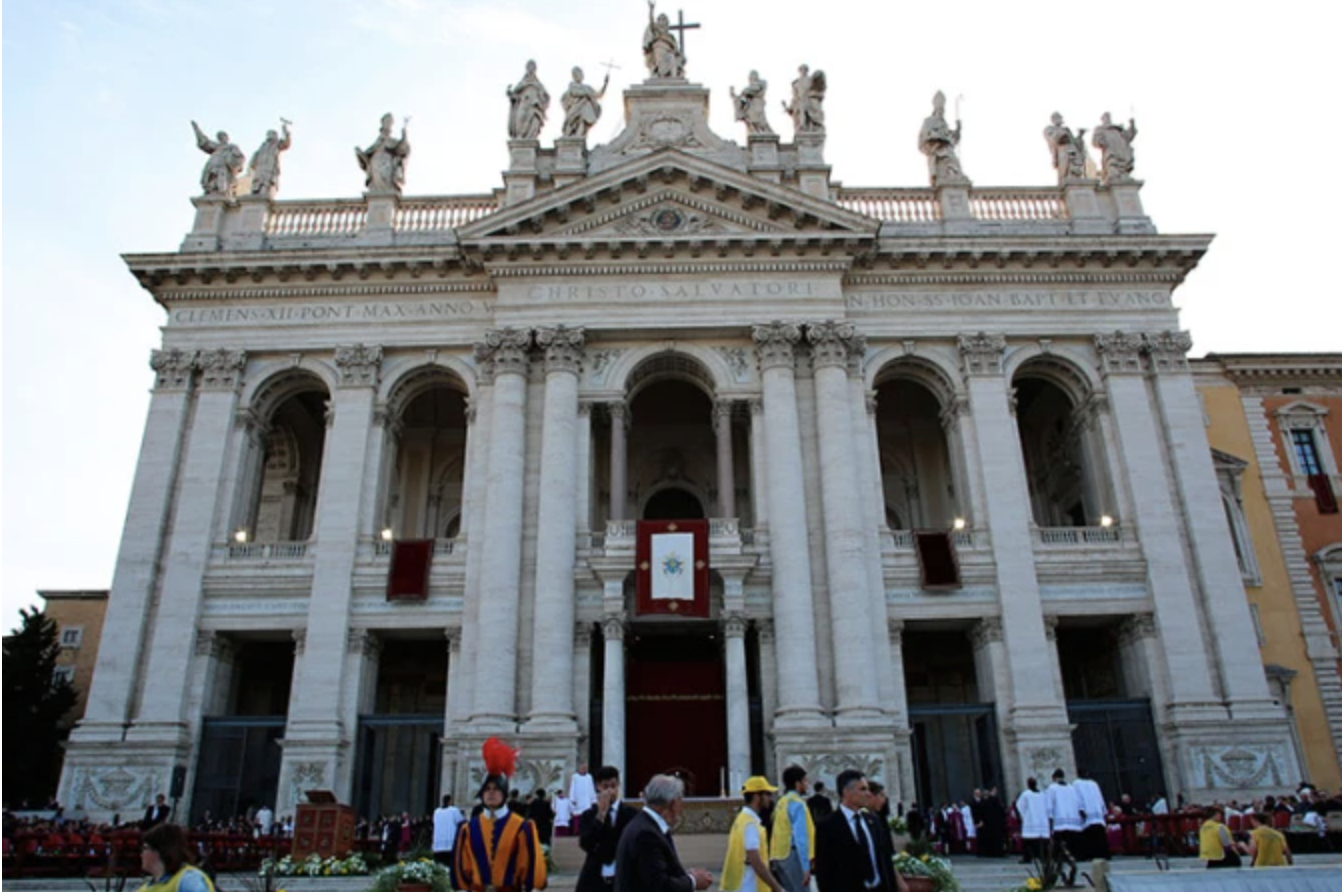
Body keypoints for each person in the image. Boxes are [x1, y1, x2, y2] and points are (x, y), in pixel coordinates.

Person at [453, 739, 547, 891]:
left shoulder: (521, 827)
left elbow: (531, 866)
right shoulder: (468, 829)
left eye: (496, 789)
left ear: (504, 794)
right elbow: (462, 868)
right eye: (487, 789)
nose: (491, 793)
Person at [613, 773, 712, 892]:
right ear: (672, 803)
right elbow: (659, 885)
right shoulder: (645, 835)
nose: (681, 808)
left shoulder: (645, 825)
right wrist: (693, 881)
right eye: (680, 801)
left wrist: (685, 876)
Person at [814, 769, 905, 892]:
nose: (868, 794)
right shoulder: (827, 826)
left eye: (867, 789)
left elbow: (884, 859)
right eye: (862, 789)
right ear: (846, 792)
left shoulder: (873, 821)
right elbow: (824, 872)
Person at [577, 766, 640, 892]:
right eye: (605, 787)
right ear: (598, 787)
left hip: (624, 876)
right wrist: (601, 815)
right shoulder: (588, 815)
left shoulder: (632, 815)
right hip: (595, 877)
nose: (610, 791)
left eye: (613, 786)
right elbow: (585, 843)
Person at [721, 777, 784, 892]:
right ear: (756, 797)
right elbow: (755, 860)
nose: (769, 798)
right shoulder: (750, 824)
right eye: (767, 794)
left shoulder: (742, 819)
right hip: (748, 885)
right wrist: (777, 887)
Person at [770, 765, 815, 892]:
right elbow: (801, 837)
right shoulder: (797, 803)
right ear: (797, 783)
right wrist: (806, 867)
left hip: (779, 855)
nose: (807, 784)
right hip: (793, 855)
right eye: (805, 781)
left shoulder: (782, 801)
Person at [140, 823, 214, 892]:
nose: (141, 854)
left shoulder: (188, 880)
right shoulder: (144, 889)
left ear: (160, 850)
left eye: (145, 848)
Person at [918, 91, 967, 186]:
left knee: (954, 165)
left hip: (947, 151)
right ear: (935, 109)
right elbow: (923, 138)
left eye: (942, 110)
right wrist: (935, 137)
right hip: (937, 150)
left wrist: (958, 130)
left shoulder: (944, 124)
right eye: (939, 109)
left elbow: (952, 140)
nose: (941, 111)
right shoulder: (929, 121)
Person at [355, 113, 410, 193]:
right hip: (375, 163)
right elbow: (368, 154)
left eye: (389, 122)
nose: (387, 124)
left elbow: (402, 150)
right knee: (376, 187)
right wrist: (360, 153)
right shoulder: (378, 141)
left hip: (387, 163)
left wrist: (404, 137)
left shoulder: (392, 141)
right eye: (386, 122)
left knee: (386, 185)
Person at [1045, 769, 1083, 886]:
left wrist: (1050, 822)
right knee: (1069, 849)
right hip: (1073, 824)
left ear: (1054, 777)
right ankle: (1069, 873)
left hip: (1059, 824)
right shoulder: (1072, 788)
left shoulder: (1052, 788)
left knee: (1058, 852)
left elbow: (1049, 806)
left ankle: (1063, 875)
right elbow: (1079, 805)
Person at [190, 121, 245, 198]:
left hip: (223, 168)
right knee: (211, 181)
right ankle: (211, 192)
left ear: (227, 138)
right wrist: (196, 129)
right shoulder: (216, 147)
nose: (222, 138)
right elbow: (204, 142)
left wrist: (233, 166)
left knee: (221, 183)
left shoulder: (232, 147)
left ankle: (221, 194)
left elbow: (239, 158)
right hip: (212, 165)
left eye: (223, 136)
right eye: (220, 137)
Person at [507, 60, 550, 141]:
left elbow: (546, 96)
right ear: (526, 68)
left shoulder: (538, 83)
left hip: (534, 106)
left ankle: (528, 137)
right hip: (524, 103)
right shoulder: (523, 82)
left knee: (534, 120)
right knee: (521, 118)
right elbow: (515, 94)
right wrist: (510, 93)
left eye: (533, 67)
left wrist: (541, 97)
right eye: (529, 66)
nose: (531, 68)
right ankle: (520, 136)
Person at [561, 69, 609, 141]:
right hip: (576, 107)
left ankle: (579, 137)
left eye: (579, 74)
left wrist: (605, 84)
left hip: (585, 109)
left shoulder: (587, 88)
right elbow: (574, 92)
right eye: (575, 74)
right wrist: (586, 94)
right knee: (571, 122)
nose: (578, 76)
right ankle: (571, 136)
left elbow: (599, 94)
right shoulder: (572, 85)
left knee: (583, 121)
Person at [642, 1, 685, 78]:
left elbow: (676, 49)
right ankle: (660, 73)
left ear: (667, 22)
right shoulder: (655, 32)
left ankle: (674, 79)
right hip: (658, 52)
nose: (662, 21)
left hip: (669, 53)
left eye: (664, 19)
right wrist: (651, 10)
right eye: (660, 19)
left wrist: (677, 52)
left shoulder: (671, 36)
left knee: (672, 58)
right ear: (657, 22)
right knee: (664, 63)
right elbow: (651, 21)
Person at [248, 122, 292, 197]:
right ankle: (257, 192)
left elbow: (286, 144)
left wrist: (285, 131)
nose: (270, 136)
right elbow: (254, 160)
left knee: (267, 181)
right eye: (269, 134)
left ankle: (265, 191)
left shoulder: (277, 144)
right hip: (260, 167)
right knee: (258, 181)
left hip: (271, 167)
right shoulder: (263, 146)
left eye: (272, 134)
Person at [1073, 769, 1108, 861]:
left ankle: (1092, 854)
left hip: (1088, 813)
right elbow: (1100, 798)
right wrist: (1102, 809)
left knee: (1091, 835)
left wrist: (1081, 809)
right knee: (1098, 835)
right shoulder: (1093, 783)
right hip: (1096, 812)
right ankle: (1102, 854)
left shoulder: (1077, 784)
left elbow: (1077, 798)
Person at [782, 66, 826, 134]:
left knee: (810, 116)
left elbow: (819, 87)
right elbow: (795, 97)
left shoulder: (811, 80)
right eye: (801, 70)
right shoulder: (796, 83)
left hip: (810, 101)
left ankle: (810, 127)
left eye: (804, 69)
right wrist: (789, 108)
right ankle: (803, 127)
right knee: (802, 111)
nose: (803, 71)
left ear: (807, 71)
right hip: (801, 102)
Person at [1016, 778, 1049, 864]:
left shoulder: (1026, 794)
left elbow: (1020, 806)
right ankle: (1043, 857)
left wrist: (1024, 816)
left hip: (1030, 820)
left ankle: (1028, 857)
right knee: (1041, 841)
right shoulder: (1042, 794)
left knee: (1029, 841)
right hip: (1041, 820)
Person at [432, 794, 464, 867]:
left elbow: (434, 822)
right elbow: (461, 822)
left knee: (439, 866)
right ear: (450, 801)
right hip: (450, 844)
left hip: (438, 844)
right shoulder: (454, 810)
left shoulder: (437, 811)